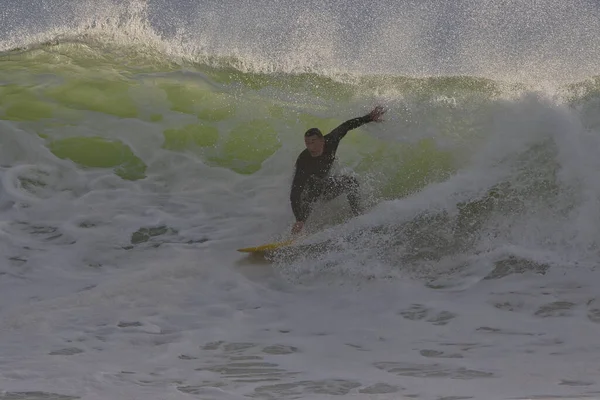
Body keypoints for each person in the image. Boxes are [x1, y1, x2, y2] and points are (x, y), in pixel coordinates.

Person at [290, 106, 386, 234]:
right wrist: (299, 218)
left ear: (322, 140)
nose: (310, 146)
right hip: (309, 190)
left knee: (350, 182)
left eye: (313, 142)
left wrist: (368, 118)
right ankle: (293, 238)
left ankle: (358, 217)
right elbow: (295, 192)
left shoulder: (331, 140)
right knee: (303, 216)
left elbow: (347, 125)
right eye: (307, 143)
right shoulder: (304, 160)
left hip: (323, 185)